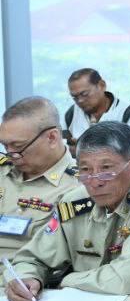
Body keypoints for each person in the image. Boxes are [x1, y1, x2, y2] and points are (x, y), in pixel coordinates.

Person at [5, 122, 130, 301]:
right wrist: (28, 278)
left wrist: (66, 281)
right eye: (85, 170)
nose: (95, 182)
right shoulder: (74, 201)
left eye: (106, 169)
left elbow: (125, 279)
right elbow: (33, 258)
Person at [0, 97, 80, 256]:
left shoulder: (79, 185)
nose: (10, 155)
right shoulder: (3, 169)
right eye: (4, 145)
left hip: (22, 269)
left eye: (18, 146)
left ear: (52, 138)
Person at [64, 68, 130, 150]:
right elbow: (62, 146)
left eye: (84, 94)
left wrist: (84, 149)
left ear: (102, 85)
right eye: (74, 97)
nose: (80, 100)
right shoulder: (71, 113)